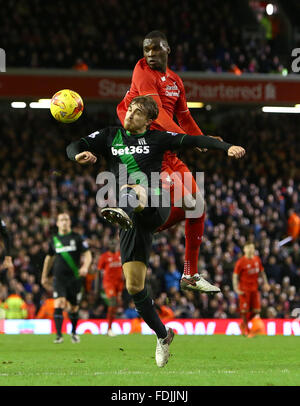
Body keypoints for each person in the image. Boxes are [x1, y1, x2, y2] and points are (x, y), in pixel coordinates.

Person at [66, 95, 245, 366]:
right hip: (132, 221)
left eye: (136, 113)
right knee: (134, 286)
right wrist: (79, 154)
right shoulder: (109, 136)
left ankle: (125, 209)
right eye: (129, 110)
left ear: (149, 120)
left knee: (133, 188)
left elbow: (195, 140)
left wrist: (227, 147)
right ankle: (163, 335)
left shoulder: (158, 138)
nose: (128, 115)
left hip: (154, 201)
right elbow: (75, 144)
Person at [117, 30, 223, 293]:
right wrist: (192, 141)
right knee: (174, 197)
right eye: (146, 49)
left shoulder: (175, 80)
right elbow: (160, 117)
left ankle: (190, 274)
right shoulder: (141, 72)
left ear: (168, 49)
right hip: (149, 148)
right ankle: (139, 216)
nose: (150, 54)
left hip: (169, 152)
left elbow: (184, 117)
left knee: (197, 205)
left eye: (155, 49)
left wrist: (202, 139)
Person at [41, 213, 92, 344]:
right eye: (61, 220)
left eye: (66, 219)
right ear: (57, 223)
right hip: (59, 278)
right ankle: (59, 336)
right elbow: (49, 258)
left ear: (69, 222)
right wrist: (44, 276)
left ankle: (74, 333)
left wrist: (85, 267)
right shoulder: (54, 240)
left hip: (74, 278)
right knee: (59, 303)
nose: (64, 222)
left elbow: (88, 255)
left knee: (74, 307)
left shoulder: (77, 238)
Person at [233, 242, 270, 337]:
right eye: (248, 248)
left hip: (254, 289)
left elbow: (262, 272)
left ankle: (242, 325)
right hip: (244, 290)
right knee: (244, 311)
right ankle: (248, 331)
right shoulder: (241, 262)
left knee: (256, 311)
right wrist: (236, 289)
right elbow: (235, 276)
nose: (251, 250)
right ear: (245, 249)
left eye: (252, 248)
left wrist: (266, 283)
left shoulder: (257, 260)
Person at [97, 239, 124, 337]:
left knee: (115, 306)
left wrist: (121, 287)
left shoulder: (120, 256)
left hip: (119, 284)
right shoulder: (104, 257)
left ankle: (110, 328)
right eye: (111, 244)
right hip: (108, 283)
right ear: (109, 246)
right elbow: (99, 271)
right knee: (112, 303)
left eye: (114, 244)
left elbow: (122, 272)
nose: (113, 246)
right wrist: (97, 286)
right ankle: (109, 328)